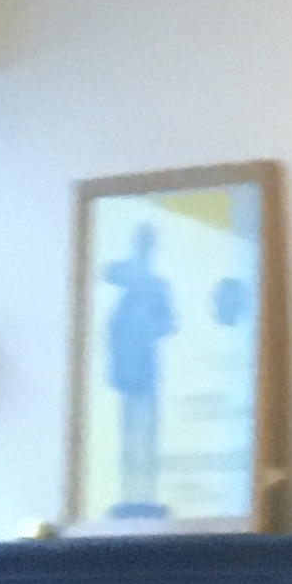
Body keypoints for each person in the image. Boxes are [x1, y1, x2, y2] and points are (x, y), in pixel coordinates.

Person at [98, 219, 177, 516]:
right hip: (126, 370)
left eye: (147, 244)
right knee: (129, 435)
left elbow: (170, 323)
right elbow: (107, 274)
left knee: (148, 434)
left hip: (146, 368)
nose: (143, 249)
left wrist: (148, 328)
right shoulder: (126, 283)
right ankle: (129, 495)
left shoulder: (157, 287)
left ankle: (147, 496)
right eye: (140, 243)